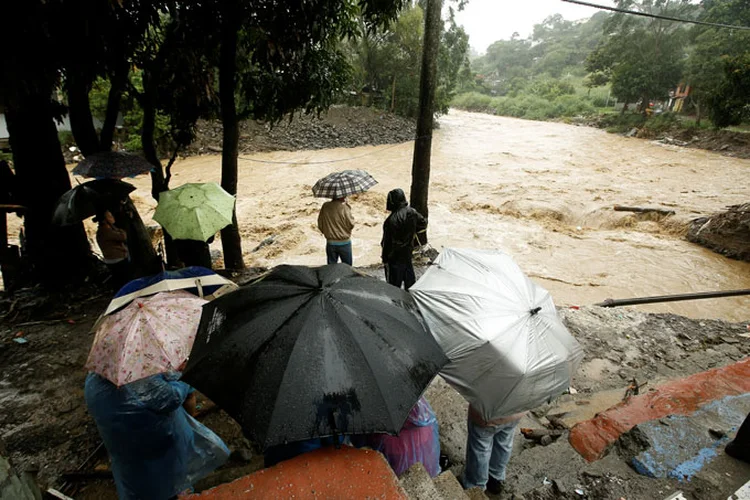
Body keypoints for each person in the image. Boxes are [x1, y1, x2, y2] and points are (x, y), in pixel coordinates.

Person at [84, 371, 229, 500]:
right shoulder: (158, 388)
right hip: (161, 450)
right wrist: (182, 374)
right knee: (169, 481)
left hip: (124, 453)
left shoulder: (93, 382)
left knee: (135, 482)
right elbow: (181, 398)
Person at [352, 396, 441, 478]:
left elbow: (358, 443)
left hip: (400, 479)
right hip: (431, 471)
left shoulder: (382, 435)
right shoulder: (425, 413)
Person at [461, 405, 524, 494]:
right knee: (504, 442)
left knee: (481, 448)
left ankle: (476, 485)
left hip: (487, 415)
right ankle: (495, 477)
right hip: (517, 411)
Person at [381, 188, 427, 289]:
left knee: (393, 287)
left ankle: (396, 304)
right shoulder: (412, 212)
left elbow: (387, 242)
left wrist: (385, 258)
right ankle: (411, 302)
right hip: (407, 253)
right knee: (410, 283)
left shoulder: (390, 221)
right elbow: (423, 223)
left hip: (394, 257)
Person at [95, 210, 130, 287]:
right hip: (117, 260)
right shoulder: (106, 230)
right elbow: (123, 237)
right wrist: (117, 228)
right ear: (105, 220)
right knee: (125, 281)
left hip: (113, 259)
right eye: (110, 216)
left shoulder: (104, 230)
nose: (112, 218)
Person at [317, 197, 355, 265]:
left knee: (331, 269)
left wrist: (326, 232)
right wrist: (348, 206)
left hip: (330, 243)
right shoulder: (345, 208)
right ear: (342, 196)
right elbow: (351, 224)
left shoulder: (325, 206)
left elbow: (320, 223)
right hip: (344, 242)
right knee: (347, 268)